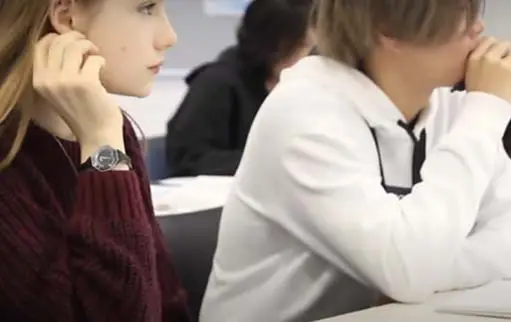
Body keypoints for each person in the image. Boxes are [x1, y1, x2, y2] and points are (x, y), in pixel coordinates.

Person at [200, 0, 511, 321]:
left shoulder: (447, 101)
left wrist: (427, 272)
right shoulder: (305, 113)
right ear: (389, 29)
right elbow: (410, 271)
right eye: (460, 15)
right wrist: (486, 110)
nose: (478, 27)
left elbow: (506, 234)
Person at [0, 0, 190, 321]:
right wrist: (102, 142)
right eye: (146, 8)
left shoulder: (112, 127)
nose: (169, 36)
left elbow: (164, 296)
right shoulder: (14, 158)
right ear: (65, 16)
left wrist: (103, 136)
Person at [165, 0, 314, 177]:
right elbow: (187, 158)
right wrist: (276, 162)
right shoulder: (216, 82)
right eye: (303, 46)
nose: (308, 56)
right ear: (273, 43)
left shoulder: (306, 85)